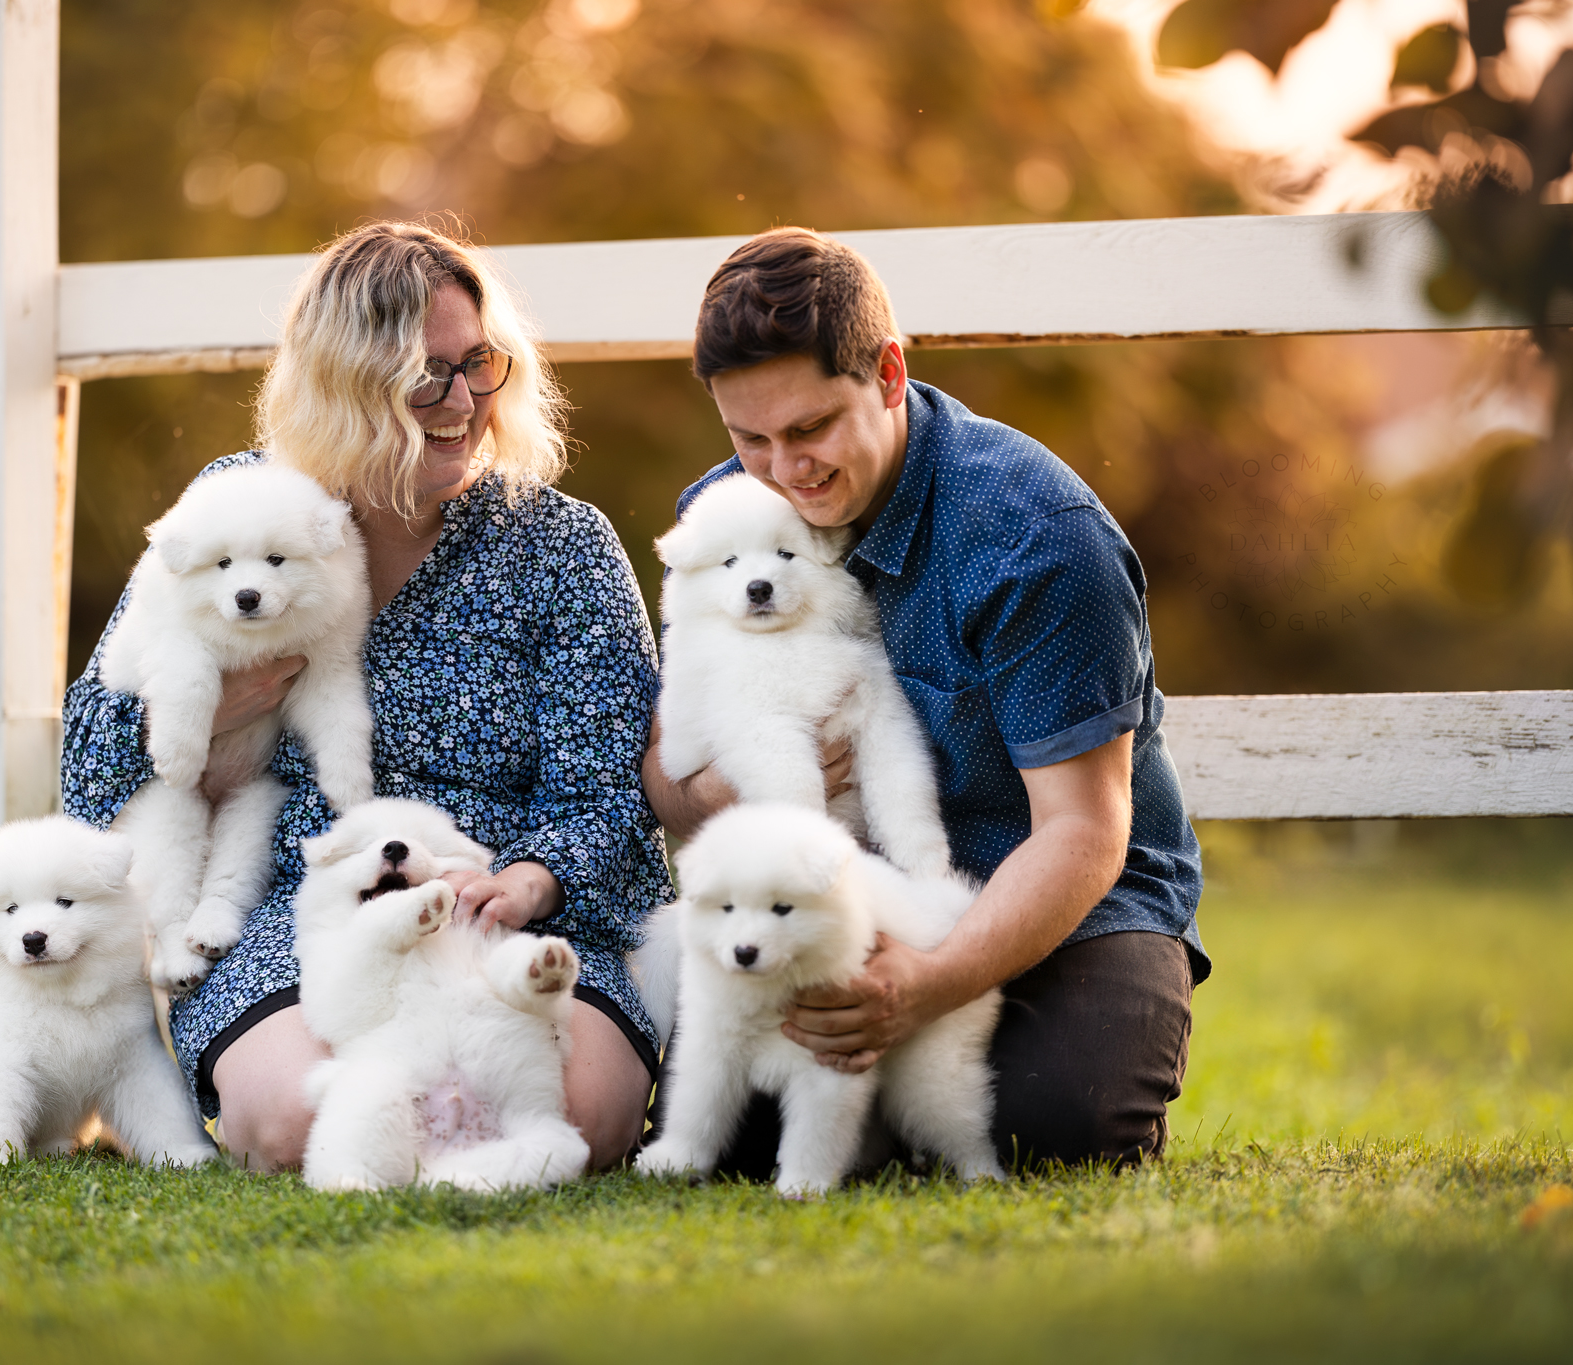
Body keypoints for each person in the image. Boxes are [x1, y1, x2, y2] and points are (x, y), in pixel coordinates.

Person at [61, 221, 670, 1172]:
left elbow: (606, 803)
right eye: (427, 376)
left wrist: (529, 881)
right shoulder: (241, 506)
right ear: (346, 385)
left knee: (578, 1117)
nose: (463, 401)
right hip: (300, 907)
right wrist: (216, 710)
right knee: (290, 1125)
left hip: (509, 905)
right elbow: (85, 764)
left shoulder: (563, 546)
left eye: (479, 364)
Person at [642, 227, 1207, 1171]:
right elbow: (668, 768)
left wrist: (929, 980)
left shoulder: (1036, 535)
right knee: (741, 1137)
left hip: (1068, 903)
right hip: (831, 903)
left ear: (890, 372)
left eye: (812, 427)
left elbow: (1084, 833)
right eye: (751, 438)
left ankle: (1029, 1062)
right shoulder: (733, 516)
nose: (786, 469)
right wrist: (735, 801)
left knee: (1049, 1125)